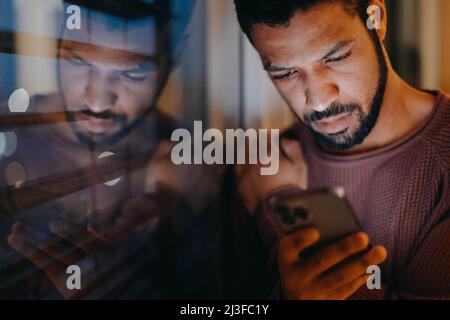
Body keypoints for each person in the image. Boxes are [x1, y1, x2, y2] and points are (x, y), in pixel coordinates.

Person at [0, 0, 221, 299]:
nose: (98, 102)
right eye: (79, 62)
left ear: (176, 55)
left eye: (132, 74)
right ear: (55, 34)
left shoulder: (199, 172)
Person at [232, 0, 449, 299]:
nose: (319, 100)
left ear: (377, 19)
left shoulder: (266, 186)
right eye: (285, 74)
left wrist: (279, 206)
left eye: (335, 57)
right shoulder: (260, 167)